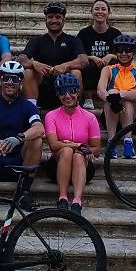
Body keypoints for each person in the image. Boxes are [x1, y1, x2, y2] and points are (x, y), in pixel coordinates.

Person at [0, 60, 45, 202]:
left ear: (21, 83)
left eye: (15, 79)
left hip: (19, 163)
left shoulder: (28, 106)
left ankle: (24, 192)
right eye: (6, 79)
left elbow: (39, 129)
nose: (10, 83)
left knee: (37, 140)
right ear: (0, 82)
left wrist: (19, 138)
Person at [44, 73, 102, 212]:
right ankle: (62, 197)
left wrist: (83, 150)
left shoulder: (90, 117)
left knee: (78, 155)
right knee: (66, 150)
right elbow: (53, 145)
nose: (67, 96)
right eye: (63, 92)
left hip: (83, 167)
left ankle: (77, 201)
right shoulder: (51, 116)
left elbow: (97, 149)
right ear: (58, 94)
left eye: (71, 91)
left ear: (78, 92)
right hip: (57, 165)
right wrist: (76, 145)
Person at [20, 1, 86, 107]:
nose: (54, 20)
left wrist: (65, 66)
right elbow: (21, 59)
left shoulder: (73, 40)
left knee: (76, 72)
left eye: (58, 17)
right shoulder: (36, 41)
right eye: (50, 17)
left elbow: (83, 60)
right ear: (45, 20)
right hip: (42, 88)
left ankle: (74, 108)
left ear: (64, 20)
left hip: (65, 87)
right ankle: (31, 110)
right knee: (28, 72)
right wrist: (34, 64)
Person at [99, 33, 136, 153]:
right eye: (120, 50)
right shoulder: (108, 69)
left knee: (126, 100)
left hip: (132, 116)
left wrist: (119, 95)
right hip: (111, 115)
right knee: (111, 93)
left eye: (128, 50)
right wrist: (112, 99)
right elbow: (100, 90)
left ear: (133, 53)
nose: (124, 54)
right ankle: (111, 141)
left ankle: (128, 142)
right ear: (116, 52)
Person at [78, 0, 121, 110]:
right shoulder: (83, 33)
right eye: (96, 9)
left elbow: (124, 56)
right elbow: (78, 55)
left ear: (109, 13)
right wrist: (92, 57)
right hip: (90, 69)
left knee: (113, 63)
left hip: (108, 69)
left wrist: (111, 55)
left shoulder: (116, 33)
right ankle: (88, 98)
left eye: (103, 9)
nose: (100, 12)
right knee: (87, 63)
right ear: (92, 12)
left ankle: (111, 92)